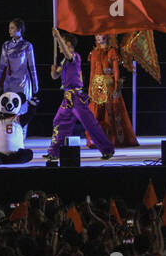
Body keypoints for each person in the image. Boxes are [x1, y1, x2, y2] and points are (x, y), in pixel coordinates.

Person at [45, 28, 114, 162]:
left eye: (61, 44)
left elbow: (67, 54)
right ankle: (54, 152)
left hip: (76, 98)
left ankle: (107, 150)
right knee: (59, 122)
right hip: (68, 98)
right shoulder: (64, 61)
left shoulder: (74, 56)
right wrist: (53, 71)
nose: (59, 46)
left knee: (90, 124)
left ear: (68, 44)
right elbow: (55, 76)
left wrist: (58, 36)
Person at [87, 33, 137, 146]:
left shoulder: (112, 51)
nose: (100, 36)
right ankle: (97, 139)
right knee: (97, 113)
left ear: (108, 36)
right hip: (97, 87)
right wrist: (90, 88)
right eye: (98, 35)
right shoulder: (94, 53)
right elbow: (92, 72)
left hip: (109, 85)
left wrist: (116, 86)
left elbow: (116, 71)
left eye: (103, 34)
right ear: (95, 37)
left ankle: (113, 139)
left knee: (112, 112)